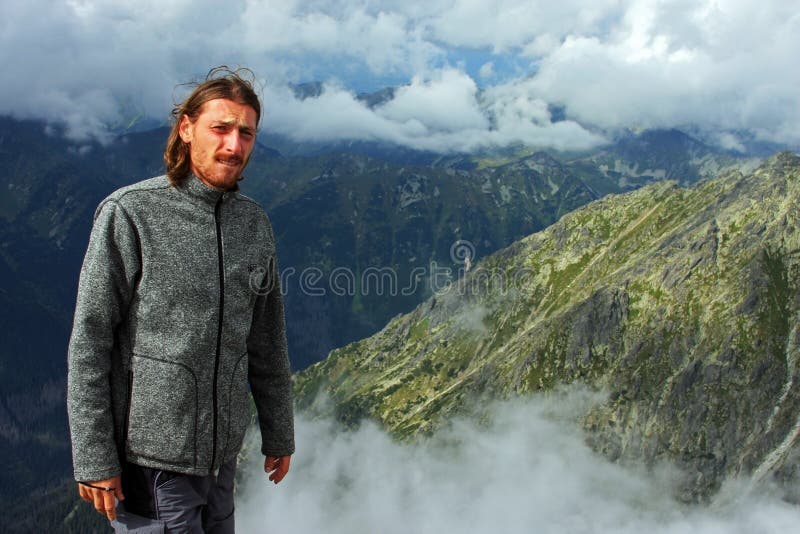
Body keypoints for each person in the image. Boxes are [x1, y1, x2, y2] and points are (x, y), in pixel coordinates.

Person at [67, 66, 295, 533]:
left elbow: (267, 341)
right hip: (150, 464)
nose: (234, 145)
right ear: (186, 128)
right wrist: (93, 457)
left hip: (221, 461)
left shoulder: (254, 225)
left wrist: (279, 433)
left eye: (246, 133)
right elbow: (90, 343)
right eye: (221, 128)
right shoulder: (129, 214)